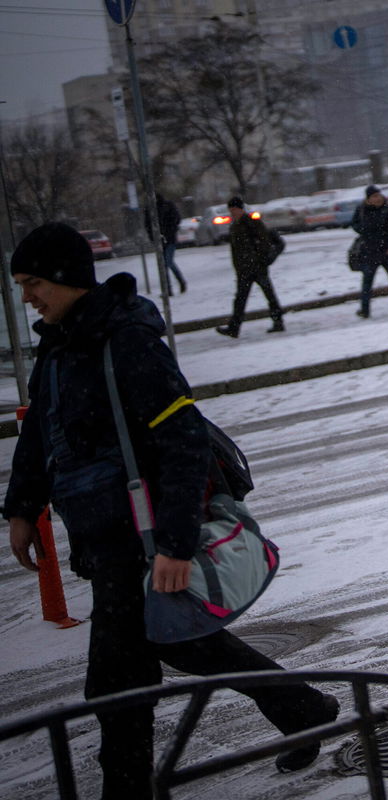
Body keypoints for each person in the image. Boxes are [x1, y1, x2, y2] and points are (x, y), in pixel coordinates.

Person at [4, 223, 339, 799]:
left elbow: (182, 442)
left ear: (65, 279)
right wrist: (21, 507)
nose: (27, 296)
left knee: (116, 685)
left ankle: (127, 791)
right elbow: (41, 433)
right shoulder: (57, 350)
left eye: (34, 283)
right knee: (181, 643)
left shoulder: (127, 343)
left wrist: (175, 546)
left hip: (142, 538)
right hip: (106, 540)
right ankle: (302, 706)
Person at [216, 196, 285, 337]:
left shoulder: (251, 222)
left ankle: (278, 322)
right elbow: (236, 250)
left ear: (240, 209)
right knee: (240, 300)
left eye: (234, 210)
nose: (232, 213)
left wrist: (261, 260)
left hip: (257, 267)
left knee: (269, 295)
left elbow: (264, 242)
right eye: (231, 210)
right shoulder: (235, 225)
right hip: (244, 269)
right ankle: (234, 328)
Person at [351, 184, 388, 318]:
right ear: (368, 198)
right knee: (367, 281)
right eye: (374, 196)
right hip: (370, 251)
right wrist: (364, 231)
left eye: (378, 195)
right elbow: (355, 224)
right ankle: (365, 309)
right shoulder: (362, 209)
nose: (377, 199)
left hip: (386, 250)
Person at [144, 192, 186, 294]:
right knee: (165, 264)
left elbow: (176, 219)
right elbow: (148, 225)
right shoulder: (150, 209)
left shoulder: (166, 206)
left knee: (168, 262)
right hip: (162, 239)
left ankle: (177, 283)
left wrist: (169, 231)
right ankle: (169, 288)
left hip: (169, 238)